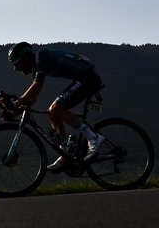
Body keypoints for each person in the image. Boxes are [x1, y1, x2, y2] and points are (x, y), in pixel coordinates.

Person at [7, 42, 105, 172]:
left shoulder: (41, 58)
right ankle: (65, 155)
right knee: (52, 114)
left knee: (56, 109)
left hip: (88, 77)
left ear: (26, 58)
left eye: (16, 63)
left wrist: (15, 103)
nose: (16, 68)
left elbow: (37, 86)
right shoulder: (37, 66)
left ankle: (93, 137)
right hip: (83, 77)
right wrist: (14, 113)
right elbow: (33, 98)